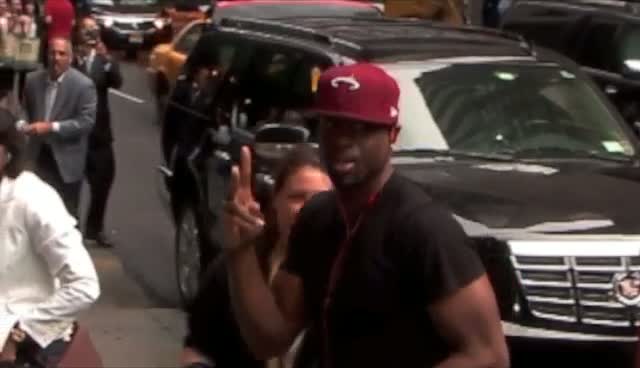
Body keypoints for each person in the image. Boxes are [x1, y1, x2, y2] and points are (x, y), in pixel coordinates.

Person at [224, 63, 510, 368]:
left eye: (361, 128)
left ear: (392, 135)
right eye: (333, 124)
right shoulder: (316, 219)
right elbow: (269, 339)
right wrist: (241, 253)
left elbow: (489, 356)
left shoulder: (425, 230)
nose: (343, 140)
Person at [182, 146, 331, 368]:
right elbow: (198, 347)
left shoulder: (343, 279)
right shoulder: (232, 271)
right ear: (275, 203)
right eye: (297, 197)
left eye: (319, 199)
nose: (306, 209)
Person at [0, 108, 100, 368]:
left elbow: (83, 285)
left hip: (24, 351)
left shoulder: (32, 198)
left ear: (7, 150)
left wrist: (20, 334)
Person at [19, 36, 97, 218]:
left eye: (62, 54)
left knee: (66, 216)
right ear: (46, 55)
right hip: (37, 157)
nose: (56, 58)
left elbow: (86, 122)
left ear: (70, 57)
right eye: (52, 53)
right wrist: (22, 125)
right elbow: (24, 110)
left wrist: (51, 127)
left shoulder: (83, 85)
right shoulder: (32, 80)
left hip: (65, 161)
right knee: (34, 212)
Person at [74, 16, 122, 247]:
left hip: (100, 134)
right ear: (78, 33)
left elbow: (117, 81)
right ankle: (70, 228)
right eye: (86, 29)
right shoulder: (68, 57)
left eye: (94, 29)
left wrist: (106, 58)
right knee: (69, 183)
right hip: (73, 134)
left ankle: (94, 229)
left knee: (103, 180)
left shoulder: (103, 59)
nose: (91, 34)